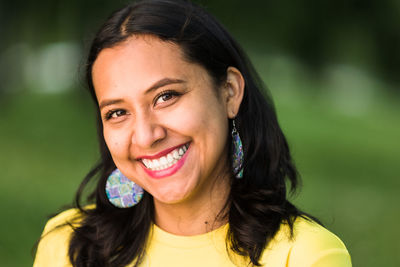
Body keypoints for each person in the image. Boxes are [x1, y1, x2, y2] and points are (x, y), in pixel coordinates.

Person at [34, 0, 352, 266]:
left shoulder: (305, 256)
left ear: (229, 91)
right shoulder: (67, 246)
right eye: (118, 113)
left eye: (166, 96)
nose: (146, 136)